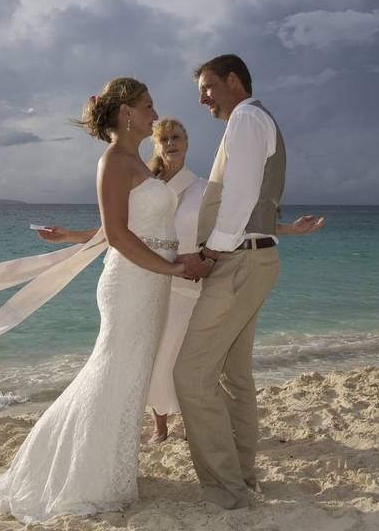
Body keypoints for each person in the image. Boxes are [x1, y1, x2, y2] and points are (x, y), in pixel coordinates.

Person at [39, 118, 323, 443]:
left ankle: (191, 421)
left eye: (176, 137)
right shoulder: (147, 187)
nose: (171, 143)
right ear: (156, 146)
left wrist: (290, 229)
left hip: (191, 279)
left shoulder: (205, 188)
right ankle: (160, 425)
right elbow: (116, 231)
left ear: (187, 143)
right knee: (154, 354)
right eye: (164, 139)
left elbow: (240, 223)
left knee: (184, 357)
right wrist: (69, 236)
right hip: (150, 278)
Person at [0, 77, 188, 522]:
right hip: (132, 284)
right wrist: (171, 267)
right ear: (128, 113)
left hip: (151, 283)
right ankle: (82, 477)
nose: (156, 114)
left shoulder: (134, 160)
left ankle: (111, 471)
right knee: (114, 372)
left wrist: (173, 260)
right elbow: (117, 234)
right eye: (149, 106)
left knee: (129, 377)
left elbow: (128, 227)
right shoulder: (113, 160)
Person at [175, 54, 284, 510]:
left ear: (232, 81)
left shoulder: (244, 119)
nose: (202, 98)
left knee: (190, 374)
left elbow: (238, 199)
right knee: (235, 374)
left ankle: (226, 489)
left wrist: (208, 254)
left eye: (207, 87)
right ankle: (242, 475)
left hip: (238, 262)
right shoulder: (257, 119)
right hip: (257, 260)